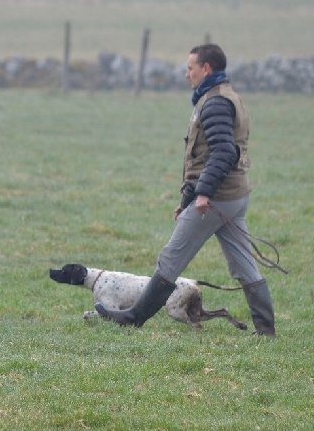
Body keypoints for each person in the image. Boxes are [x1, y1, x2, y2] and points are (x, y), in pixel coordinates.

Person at [95, 44, 275, 336]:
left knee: (171, 258)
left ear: (206, 69)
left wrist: (202, 195)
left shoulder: (214, 102)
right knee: (243, 265)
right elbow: (203, 158)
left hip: (217, 198)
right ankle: (266, 330)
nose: (185, 73)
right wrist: (187, 198)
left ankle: (134, 317)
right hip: (234, 196)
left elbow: (222, 153)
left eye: (190, 68)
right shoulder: (226, 96)